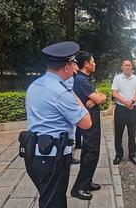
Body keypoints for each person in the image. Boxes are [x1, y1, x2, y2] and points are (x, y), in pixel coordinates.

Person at [25, 41, 92, 208]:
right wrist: (74, 96)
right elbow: (86, 123)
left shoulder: (35, 85)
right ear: (67, 68)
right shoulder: (61, 92)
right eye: (73, 63)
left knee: (49, 198)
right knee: (54, 203)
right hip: (53, 158)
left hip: (35, 153)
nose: (76, 67)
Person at [71, 51, 107, 201]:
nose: (95, 63)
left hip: (92, 121)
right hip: (89, 123)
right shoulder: (81, 79)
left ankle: (87, 182)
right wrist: (98, 98)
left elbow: (100, 97)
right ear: (86, 63)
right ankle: (78, 187)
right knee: (91, 154)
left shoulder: (85, 78)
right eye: (92, 61)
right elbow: (98, 99)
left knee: (90, 153)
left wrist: (99, 97)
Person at [112, 59, 136, 165]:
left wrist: (132, 101)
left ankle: (132, 155)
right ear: (122, 67)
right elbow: (114, 93)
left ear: (131, 67)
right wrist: (125, 102)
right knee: (118, 134)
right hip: (120, 110)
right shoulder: (117, 78)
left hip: (132, 110)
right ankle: (118, 155)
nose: (128, 67)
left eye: (129, 65)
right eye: (126, 65)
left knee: (132, 134)